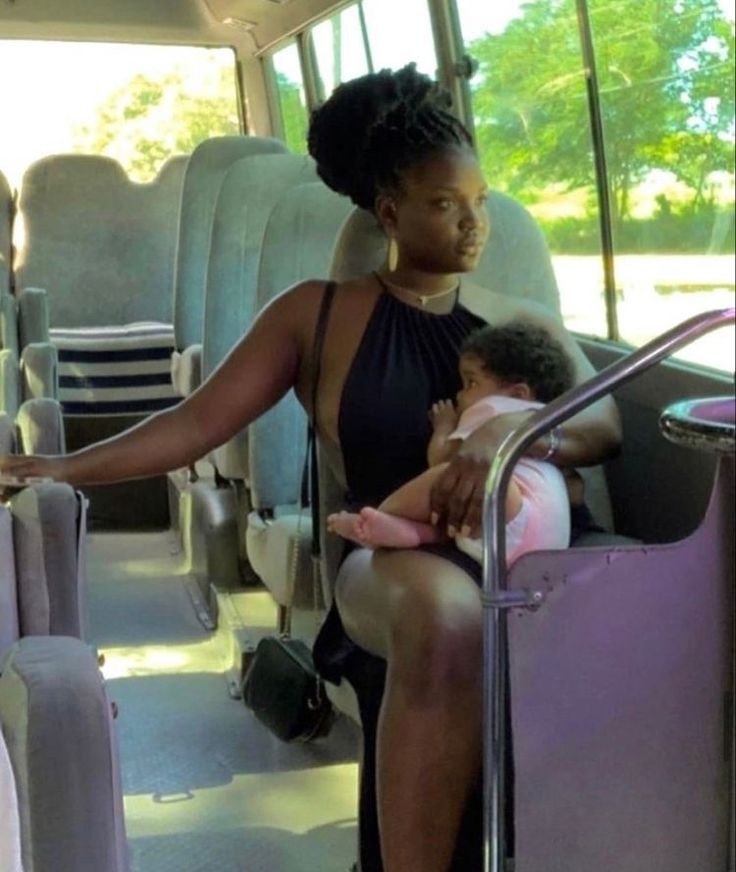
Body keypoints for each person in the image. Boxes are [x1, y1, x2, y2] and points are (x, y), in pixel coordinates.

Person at [0, 64, 621, 872]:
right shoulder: (315, 313)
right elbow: (195, 426)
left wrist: (509, 438)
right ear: (388, 210)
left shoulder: (520, 321)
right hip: (388, 551)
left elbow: (603, 424)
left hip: (518, 540)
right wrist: (59, 464)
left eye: (480, 202)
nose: (473, 224)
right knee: (448, 616)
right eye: (444, 204)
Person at [326, 320, 574, 565]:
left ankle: (382, 516)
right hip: (550, 540)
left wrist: (444, 427)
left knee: (456, 478)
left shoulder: (497, 410)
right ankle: (413, 533)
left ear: (518, 394)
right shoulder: (552, 420)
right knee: (459, 509)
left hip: (514, 517)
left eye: (471, 383)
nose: (460, 394)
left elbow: (443, 460)